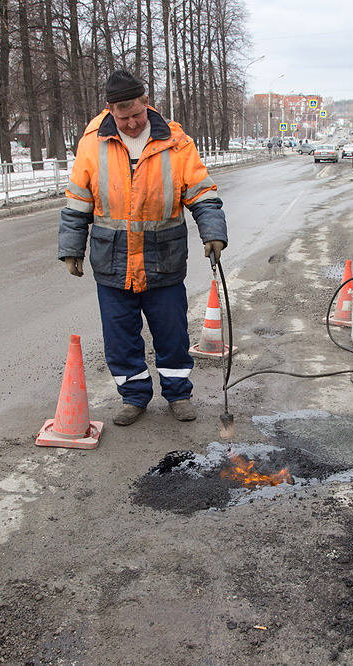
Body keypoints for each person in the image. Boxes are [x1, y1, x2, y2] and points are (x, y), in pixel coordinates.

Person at [59, 70, 228, 426]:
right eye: (123, 117)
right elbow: (77, 201)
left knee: (171, 332)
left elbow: (202, 193)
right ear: (110, 110)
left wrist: (213, 233)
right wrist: (71, 248)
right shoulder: (92, 142)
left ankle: (178, 394)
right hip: (112, 261)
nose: (132, 123)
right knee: (120, 337)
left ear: (146, 102)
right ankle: (134, 396)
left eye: (137, 113)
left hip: (163, 259)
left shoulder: (177, 143)